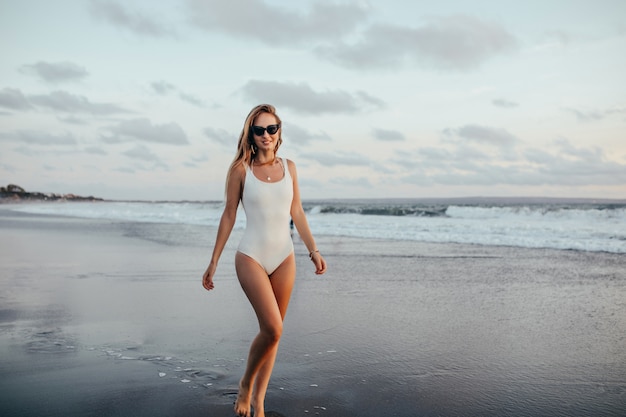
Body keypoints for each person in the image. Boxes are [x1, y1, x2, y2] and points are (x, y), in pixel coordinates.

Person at [202, 104, 327, 417]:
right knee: (272, 328)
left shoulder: (290, 167)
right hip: (251, 256)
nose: (267, 135)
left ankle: (259, 403)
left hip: (284, 257)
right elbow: (229, 213)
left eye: (272, 128)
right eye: (260, 130)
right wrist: (214, 260)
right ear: (251, 134)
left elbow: (296, 210)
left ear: (279, 131)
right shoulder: (240, 170)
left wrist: (313, 249)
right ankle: (245, 385)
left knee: (275, 334)